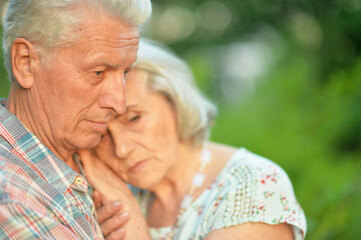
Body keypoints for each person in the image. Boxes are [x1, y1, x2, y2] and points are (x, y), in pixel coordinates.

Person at [79, 39, 307, 240]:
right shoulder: (115, 200)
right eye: (102, 134)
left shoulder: (253, 185)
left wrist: (138, 233)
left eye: (134, 118)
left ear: (176, 103)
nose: (121, 149)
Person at [0, 0, 152, 239]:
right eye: (98, 72)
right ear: (26, 62)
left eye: (125, 72)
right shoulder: (13, 202)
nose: (119, 103)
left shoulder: (97, 148)